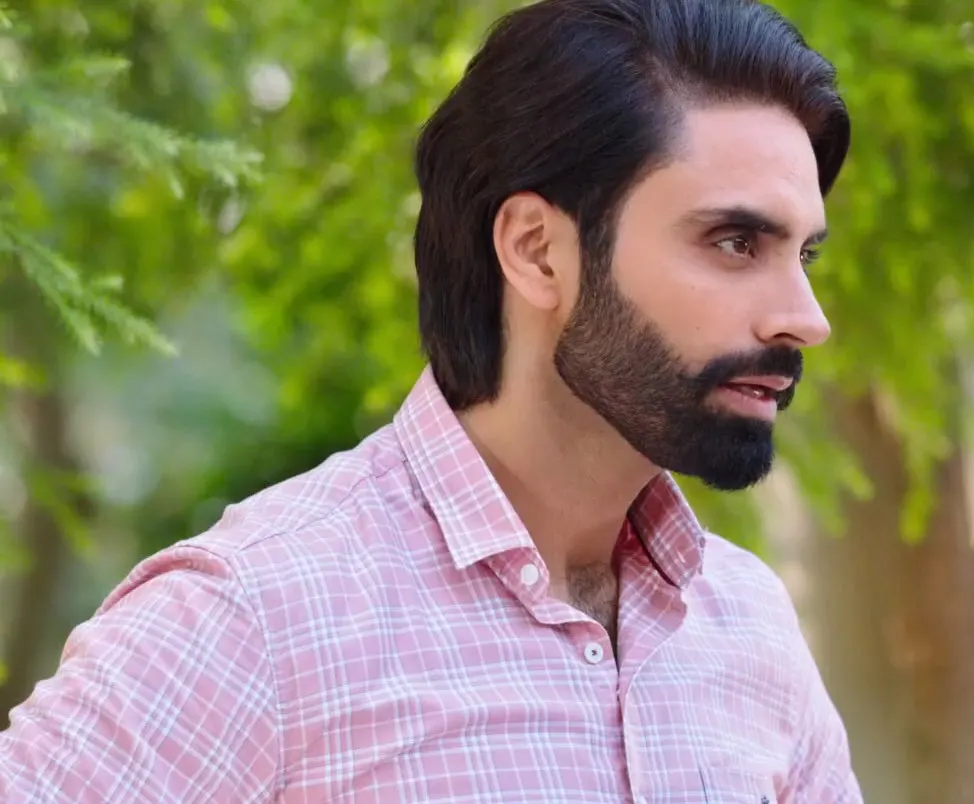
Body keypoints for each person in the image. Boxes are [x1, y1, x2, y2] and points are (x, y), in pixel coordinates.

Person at [0, 0, 861, 801]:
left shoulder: (749, 628)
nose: (806, 318)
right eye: (734, 242)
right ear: (537, 251)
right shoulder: (255, 616)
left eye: (804, 256)